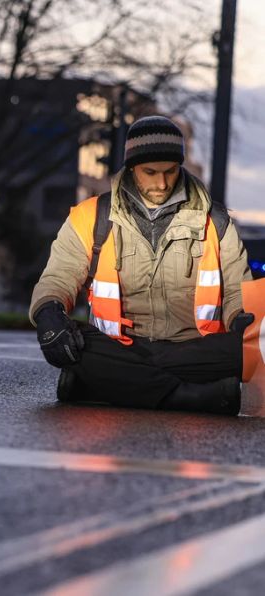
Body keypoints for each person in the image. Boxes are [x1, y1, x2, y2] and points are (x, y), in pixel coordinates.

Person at [30, 115, 253, 415]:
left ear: (180, 166)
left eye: (171, 171)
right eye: (150, 172)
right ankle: (186, 396)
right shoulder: (90, 216)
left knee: (255, 350)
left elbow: (238, 292)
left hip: (193, 349)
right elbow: (59, 276)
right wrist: (48, 312)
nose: (162, 183)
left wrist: (243, 320)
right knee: (75, 341)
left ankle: (101, 384)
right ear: (132, 166)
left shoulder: (217, 222)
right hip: (118, 345)